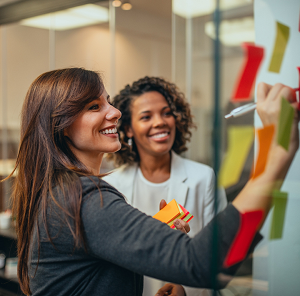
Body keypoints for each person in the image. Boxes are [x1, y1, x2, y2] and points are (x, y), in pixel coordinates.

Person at [5, 68, 299, 296]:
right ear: (62, 125)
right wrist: (278, 153)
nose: (115, 112)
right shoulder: (83, 198)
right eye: (94, 106)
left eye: (107, 101)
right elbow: (203, 264)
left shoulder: (61, 192)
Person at [104, 76, 228, 296]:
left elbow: (220, 257)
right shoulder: (111, 186)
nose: (160, 122)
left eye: (166, 113)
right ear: (128, 129)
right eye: (146, 116)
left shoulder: (203, 178)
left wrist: (184, 290)